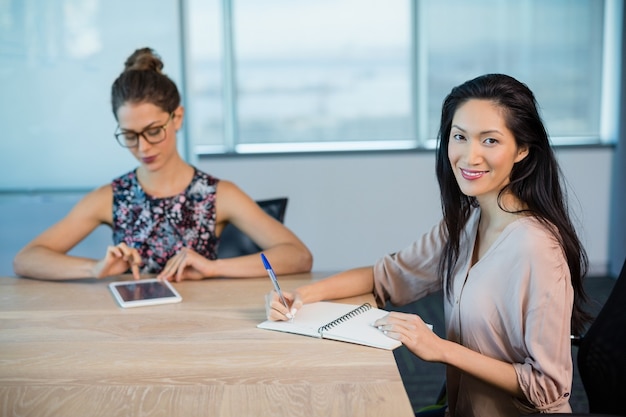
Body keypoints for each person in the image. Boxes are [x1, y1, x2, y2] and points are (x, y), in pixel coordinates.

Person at [265, 74, 590, 416]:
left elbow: (548, 387)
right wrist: (301, 297)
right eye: (460, 137)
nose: (470, 155)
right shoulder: (467, 223)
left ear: (522, 149)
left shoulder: (537, 248)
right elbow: (384, 276)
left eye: (490, 141)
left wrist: (440, 349)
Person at [13, 47, 312, 282]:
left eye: (154, 131)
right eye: (129, 135)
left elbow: (298, 256)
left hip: (201, 328)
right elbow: (27, 259)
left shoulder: (219, 194)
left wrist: (213, 268)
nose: (143, 147)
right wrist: (95, 269)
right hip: (130, 333)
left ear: (177, 118)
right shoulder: (112, 197)